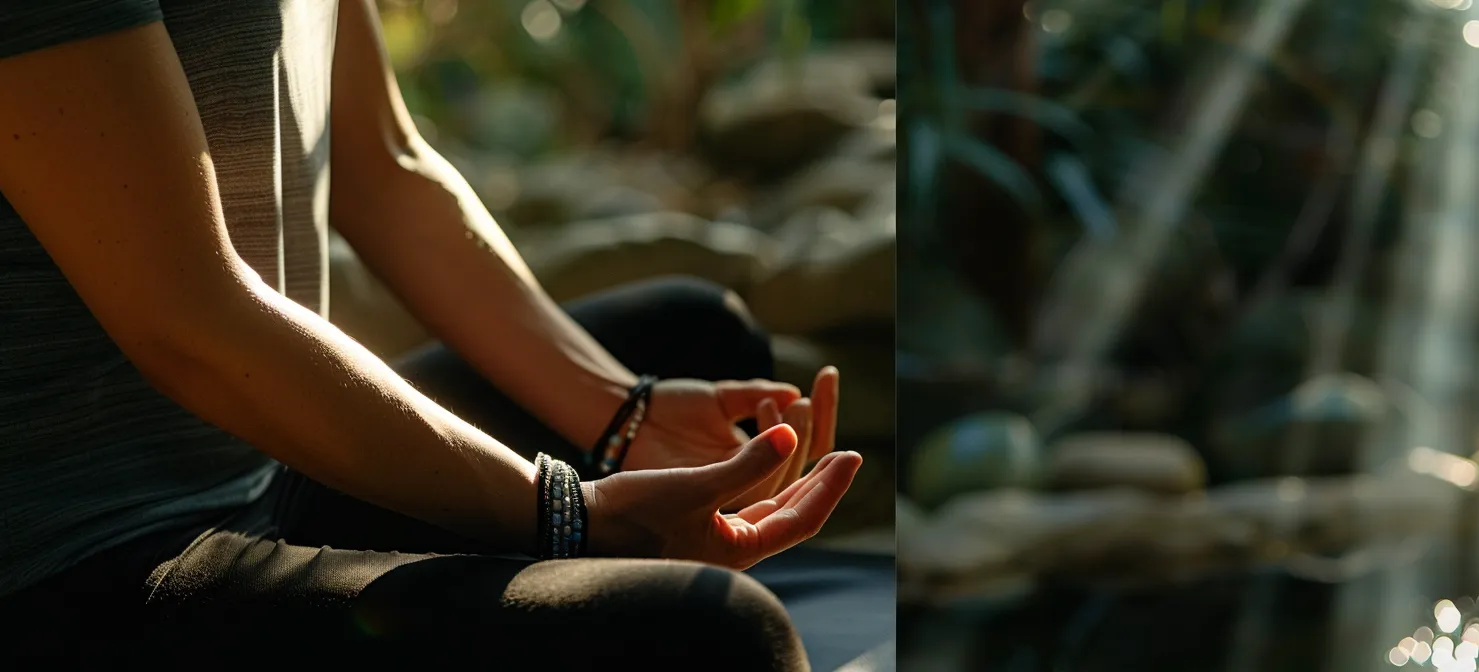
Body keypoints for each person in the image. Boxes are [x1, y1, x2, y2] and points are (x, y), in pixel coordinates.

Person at [0, 1, 863, 668]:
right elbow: (189, 318)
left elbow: (388, 169)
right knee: (718, 637)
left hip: (260, 462)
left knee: (698, 334)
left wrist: (621, 415)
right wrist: (571, 514)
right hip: (85, 560)